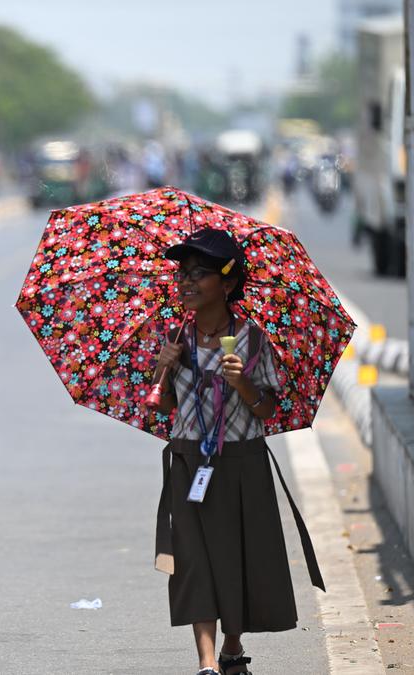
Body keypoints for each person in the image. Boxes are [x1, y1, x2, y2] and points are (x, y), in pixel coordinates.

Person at [151, 229, 322, 675]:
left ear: (227, 284)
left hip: (242, 463)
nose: (186, 283)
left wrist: (242, 383)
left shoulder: (252, 339)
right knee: (193, 560)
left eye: (198, 275)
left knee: (237, 558)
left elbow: (268, 409)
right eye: (182, 274)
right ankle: (207, 663)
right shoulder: (174, 336)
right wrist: (164, 370)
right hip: (189, 461)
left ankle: (231, 646)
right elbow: (165, 407)